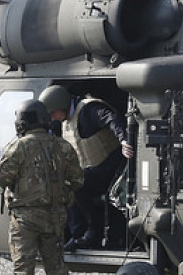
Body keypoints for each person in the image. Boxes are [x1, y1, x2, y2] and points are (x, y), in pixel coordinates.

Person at [0, 99, 84, 275]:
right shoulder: (63, 147)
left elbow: (1, 177)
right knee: (59, 272)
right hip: (55, 218)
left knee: (24, 272)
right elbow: (77, 180)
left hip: (25, 220)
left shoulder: (19, 147)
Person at [38, 85, 133, 251]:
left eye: (53, 114)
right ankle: (77, 235)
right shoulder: (65, 120)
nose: (52, 118)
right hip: (93, 169)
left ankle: (89, 233)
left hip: (113, 167)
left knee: (73, 184)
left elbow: (111, 119)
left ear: (61, 106)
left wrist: (124, 140)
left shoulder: (89, 110)